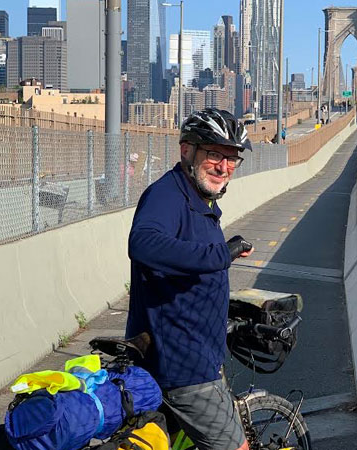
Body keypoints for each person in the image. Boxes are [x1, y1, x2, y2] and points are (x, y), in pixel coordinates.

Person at [124, 108, 254, 450]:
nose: (223, 167)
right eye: (214, 154)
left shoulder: (198, 199)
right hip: (184, 366)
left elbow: (184, 273)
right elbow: (143, 243)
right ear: (186, 150)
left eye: (231, 159)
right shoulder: (167, 196)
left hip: (189, 355)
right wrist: (220, 256)